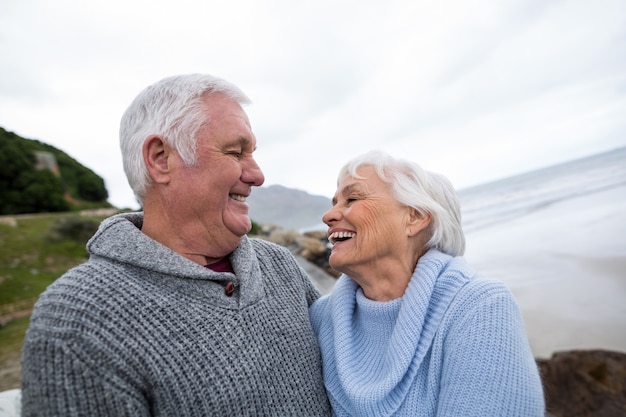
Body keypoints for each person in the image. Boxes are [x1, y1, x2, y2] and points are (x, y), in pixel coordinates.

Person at [21, 74, 331, 416]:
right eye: (235, 152)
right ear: (160, 159)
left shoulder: (279, 265)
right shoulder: (79, 319)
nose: (258, 175)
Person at [309, 150, 545, 416]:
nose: (328, 215)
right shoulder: (320, 318)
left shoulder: (478, 307)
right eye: (334, 202)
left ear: (416, 217)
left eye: (352, 198)